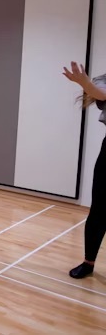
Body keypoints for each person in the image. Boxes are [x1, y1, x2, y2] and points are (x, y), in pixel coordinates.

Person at [63, 61, 106, 279]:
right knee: (99, 210)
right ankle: (88, 263)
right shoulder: (103, 80)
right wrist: (84, 82)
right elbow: (100, 93)